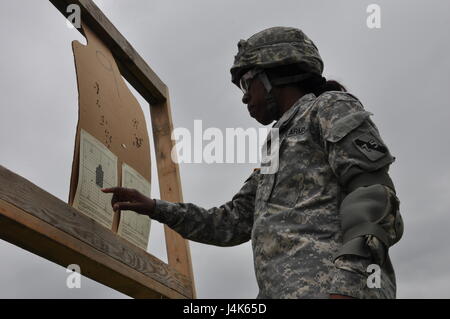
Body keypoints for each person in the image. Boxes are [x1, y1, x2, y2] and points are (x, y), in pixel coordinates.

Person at [102, 26, 404, 299]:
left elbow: (372, 194)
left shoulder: (328, 107)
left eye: (247, 84)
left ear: (275, 76)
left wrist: (349, 286)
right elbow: (231, 222)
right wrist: (155, 208)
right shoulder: (276, 146)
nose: (245, 98)